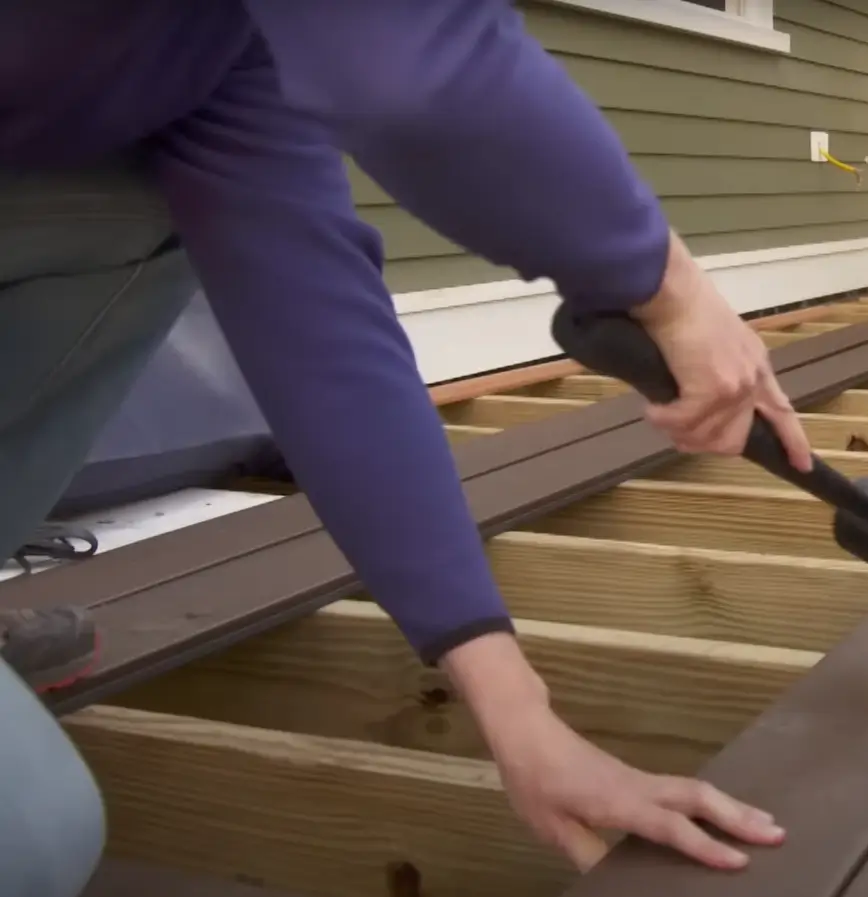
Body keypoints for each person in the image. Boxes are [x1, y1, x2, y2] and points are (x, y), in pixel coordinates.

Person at [0, 3, 816, 894]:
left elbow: (319, 334)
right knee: (37, 841)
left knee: (140, 185)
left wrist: (523, 721)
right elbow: (409, 71)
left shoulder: (221, 51)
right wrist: (668, 288)